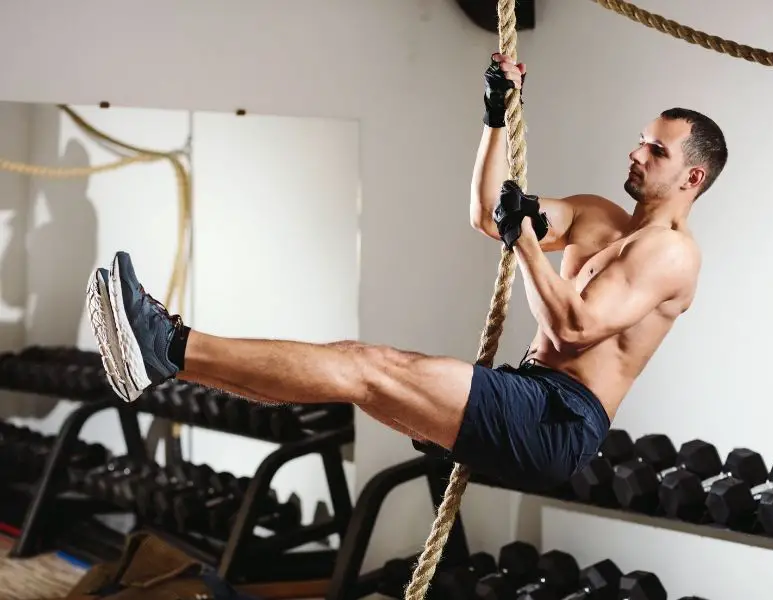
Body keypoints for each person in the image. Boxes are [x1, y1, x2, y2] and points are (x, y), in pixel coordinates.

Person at [85, 54, 727, 490]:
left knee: (368, 366)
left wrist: (526, 245)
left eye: (656, 149)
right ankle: (166, 357)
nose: (636, 152)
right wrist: (496, 117)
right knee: (357, 369)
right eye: (641, 140)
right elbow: (484, 213)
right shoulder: (596, 216)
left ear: (691, 178)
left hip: (559, 422)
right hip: (529, 393)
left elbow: (573, 325)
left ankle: (167, 345)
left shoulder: (673, 254)